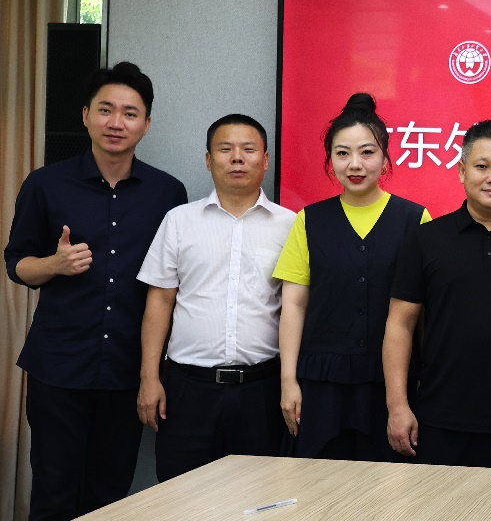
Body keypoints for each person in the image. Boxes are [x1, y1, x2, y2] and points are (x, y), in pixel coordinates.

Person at [4, 62, 187, 520]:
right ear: (86, 115)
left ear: (146, 124)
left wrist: (153, 371)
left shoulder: (167, 193)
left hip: (127, 371)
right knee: (53, 491)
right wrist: (54, 265)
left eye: (130, 113)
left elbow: (171, 284)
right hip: (58, 367)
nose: (116, 122)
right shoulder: (45, 184)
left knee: (110, 495)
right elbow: (16, 264)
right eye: (105, 110)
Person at [384, 119, 491, 470]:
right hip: (438, 419)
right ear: (462, 171)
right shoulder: (426, 240)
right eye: (482, 166)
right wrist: (398, 406)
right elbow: (399, 326)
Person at [135, 114, 295, 480]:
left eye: (248, 149)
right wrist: (149, 377)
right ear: (208, 160)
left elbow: (295, 308)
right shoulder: (179, 221)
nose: (237, 158)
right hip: (188, 390)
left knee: (261, 495)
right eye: (225, 149)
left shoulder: (289, 225)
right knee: (181, 495)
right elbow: (160, 301)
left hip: (262, 391)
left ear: (265, 160)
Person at [272, 93, 429, 461]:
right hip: (321, 382)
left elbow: (423, 314)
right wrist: (288, 381)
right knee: (315, 482)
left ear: (385, 158)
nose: (355, 164)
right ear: (330, 160)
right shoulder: (309, 220)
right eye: (342, 153)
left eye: (367, 152)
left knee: (389, 484)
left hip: (390, 384)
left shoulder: (415, 220)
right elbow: (294, 305)